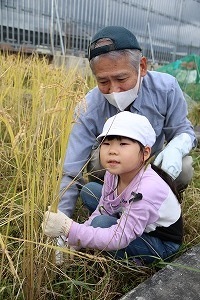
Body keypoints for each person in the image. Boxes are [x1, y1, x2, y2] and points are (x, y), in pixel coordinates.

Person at [58, 25, 197, 219]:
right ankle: (111, 206)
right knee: (98, 160)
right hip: (112, 174)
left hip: (153, 165)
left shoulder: (166, 88)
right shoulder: (89, 107)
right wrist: (62, 220)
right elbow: (73, 169)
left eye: (121, 78)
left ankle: (166, 209)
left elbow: (183, 130)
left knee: (184, 166)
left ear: (141, 66)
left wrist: (176, 147)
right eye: (103, 82)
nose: (114, 89)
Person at [43, 112, 183, 265]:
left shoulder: (146, 190)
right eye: (107, 143)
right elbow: (104, 208)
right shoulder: (114, 173)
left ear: (145, 153)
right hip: (136, 222)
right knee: (90, 190)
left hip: (161, 243)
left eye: (123, 144)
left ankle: (137, 262)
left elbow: (119, 238)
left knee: (101, 224)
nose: (112, 150)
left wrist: (69, 229)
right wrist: (75, 241)